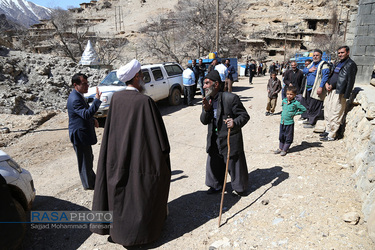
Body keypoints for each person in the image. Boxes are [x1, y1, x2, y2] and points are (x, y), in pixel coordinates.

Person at [91, 59, 171, 246]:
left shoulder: (116, 99)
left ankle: (119, 231)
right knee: (141, 191)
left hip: (117, 157)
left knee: (119, 195)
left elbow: (112, 131)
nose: (142, 78)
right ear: (136, 77)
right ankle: (142, 232)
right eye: (141, 75)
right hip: (139, 159)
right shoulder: (145, 102)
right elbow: (158, 137)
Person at [201, 70, 250, 196]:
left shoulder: (231, 98)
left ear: (216, 84)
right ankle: (216, 185)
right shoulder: (207, 100)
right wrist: (206, 110)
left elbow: (244, 116)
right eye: (203, 83)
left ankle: (239, 187)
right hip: (214, 138)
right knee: (214, 162)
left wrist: (234, 122)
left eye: (207, 83)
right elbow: (203, 121)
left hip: (229, 137)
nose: (204, 86)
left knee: (234, 163)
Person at [67, 73, 101, 190]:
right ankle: (89, 185)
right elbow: (85, 114)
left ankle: (91, 180)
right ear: (75, 85)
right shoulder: (75, 99)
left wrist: (93, 119)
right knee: (84, 161)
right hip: (79, 134)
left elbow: (84, 114)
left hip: (83, 133)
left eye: (87, 83)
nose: (87, 86)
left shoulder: (78, 95)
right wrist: (97, 101)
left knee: (88, 158)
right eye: (84, 84)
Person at [320, 46, 357, 141]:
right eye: (339, 53)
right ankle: (328, 130)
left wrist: (346, 94)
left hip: (339, 92)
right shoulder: (338, 63)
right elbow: (332, 75)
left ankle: (332, 135)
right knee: (328, 111)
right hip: (330, 91)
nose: (340, 54)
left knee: (336, 113)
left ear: (348, 52)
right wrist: (327, 83)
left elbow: (350, 80)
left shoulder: (351, 64)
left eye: (342, 52)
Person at [302, 49, 330, 128]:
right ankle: (309, 119)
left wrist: (320, 87)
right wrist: (308, 70)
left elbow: (325, 77)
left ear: (321, 56)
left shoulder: (324, 65)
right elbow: (304, 71)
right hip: (308, 88)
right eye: (314, 55)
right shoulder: (311, 64)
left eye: (317, 55)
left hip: (316, 88)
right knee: (308, 104)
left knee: (315, 105)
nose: (315, 57)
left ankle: (312, 122)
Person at [274, 86, 306, 156]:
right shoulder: (284, 101)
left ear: (295, 95)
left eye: (291, 94)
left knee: (288, 137)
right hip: (282, 122)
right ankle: (280, 148)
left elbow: (303, 109)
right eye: (288, 94)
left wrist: (295, 113)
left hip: (289, 123)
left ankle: (285, 149)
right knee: (281, 136)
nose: (289, 96)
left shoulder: (296, 103)